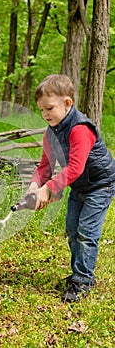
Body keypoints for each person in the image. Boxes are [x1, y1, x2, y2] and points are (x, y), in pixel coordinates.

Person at [27, 74, 115, 302]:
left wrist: (49, 189)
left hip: (99, 185)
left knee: (86, 231)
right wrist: (35, 187)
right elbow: (45, 166)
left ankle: (83, 280)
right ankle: (80, 273)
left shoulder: (79, 129)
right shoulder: (51, 133)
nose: (45, 115)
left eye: (49, 108)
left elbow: (75, 167)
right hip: (79, 187)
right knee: (73, 230)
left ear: (67, 103)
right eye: (41, 111)